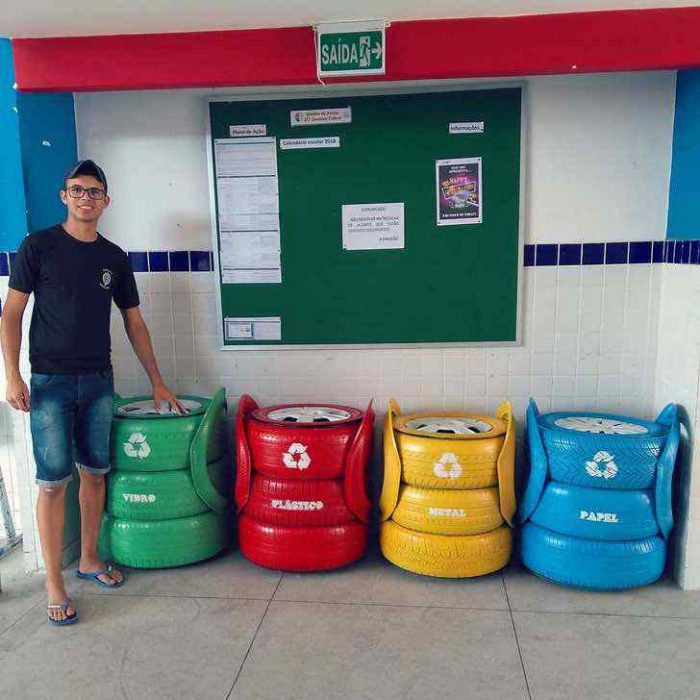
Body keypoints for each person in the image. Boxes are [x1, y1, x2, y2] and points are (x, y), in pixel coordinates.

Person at [0, 160, 185, 626]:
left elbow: (134, 321)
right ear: (64, 196)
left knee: (95, 472)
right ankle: (54, 585)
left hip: (98, 380)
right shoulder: (37, 246)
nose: (86, 197)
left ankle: (88, 559)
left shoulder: (114, 257)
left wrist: (157, 380)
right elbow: (11, 316)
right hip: (49, 383)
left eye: (95, 191)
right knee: (51, 481)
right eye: (77, 190)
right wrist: (12, 376)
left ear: (106, 200)